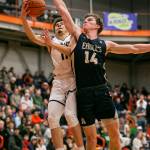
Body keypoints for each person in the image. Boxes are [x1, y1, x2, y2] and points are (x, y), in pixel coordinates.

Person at [43, 1, 150, 150]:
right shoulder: (78, 35)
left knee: (114, 136)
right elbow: (62, 10)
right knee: (92, 139)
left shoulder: (106, 44)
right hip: (83, 93)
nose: (85, 20)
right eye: (85, 19)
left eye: (89, 19)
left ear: (97, 26)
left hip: (101, 91)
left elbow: (134, 48)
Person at [21, 1, 85, 150]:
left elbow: (69, 51)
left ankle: (81, 147)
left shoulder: (74, 38)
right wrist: (24, 18)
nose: (59, 25)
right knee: (52, 118)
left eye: (62, 23)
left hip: (74, 80)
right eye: (56, 25)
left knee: (69, 114)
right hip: (58, 82)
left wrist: (51, 43)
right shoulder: (51, 40)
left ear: (68, 27)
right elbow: (32, 36)